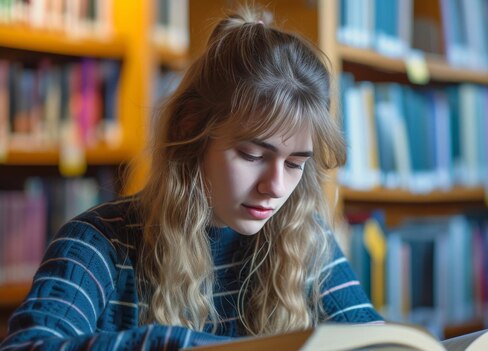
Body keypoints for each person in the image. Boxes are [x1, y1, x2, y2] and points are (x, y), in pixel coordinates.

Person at [0, 5, 383, 351]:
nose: (276, 187)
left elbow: (376, 343)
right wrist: (176, 345)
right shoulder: (97, 244)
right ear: (190, 130)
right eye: (253, 155)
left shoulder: (304, 238)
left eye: (296, 164)